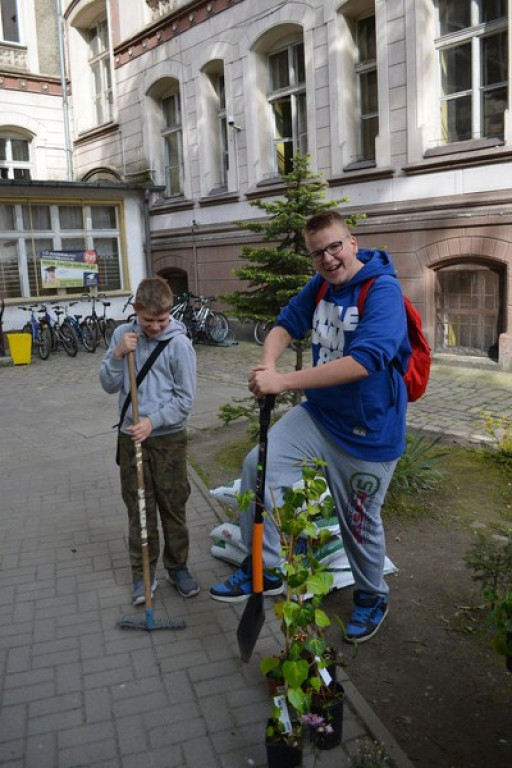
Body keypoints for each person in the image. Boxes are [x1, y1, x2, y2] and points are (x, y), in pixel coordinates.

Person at [210, 211, 411, 642]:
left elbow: (364, 361)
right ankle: (265, 569)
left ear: (352, 242)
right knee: (257, 470)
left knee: (359, 522)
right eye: (318, 252)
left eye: (335, 246)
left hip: (368, 433)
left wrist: (282, 382)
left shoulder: (383, 291)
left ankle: (372, 594)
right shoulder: (319, 286)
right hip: (318, 417)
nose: (328, 258)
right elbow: (285, 324)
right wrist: (267, 365)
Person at [100, 277, 200, 604]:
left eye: (162, 320)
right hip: (131, 437)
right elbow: (108, 385)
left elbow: (185, 401)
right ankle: (143, 573)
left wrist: (152, 421)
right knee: (139, 508)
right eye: (148, 320)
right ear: (135, 311)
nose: (155, 327)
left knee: (172, 505)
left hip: (168, 439)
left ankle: (178, 567)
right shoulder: (121, 336)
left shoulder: (179, 344)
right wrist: (117, 355)